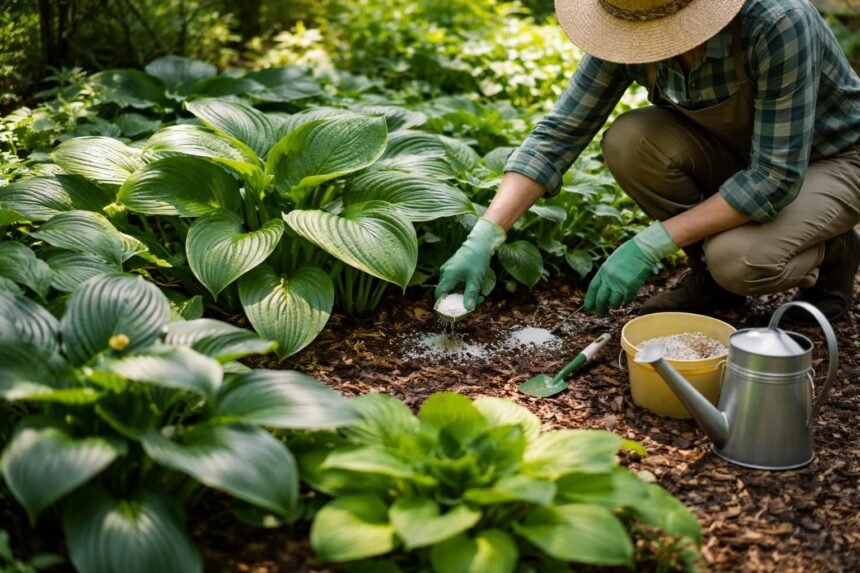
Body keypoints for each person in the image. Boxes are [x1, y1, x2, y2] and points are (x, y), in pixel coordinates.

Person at [434, 0, 860, 322]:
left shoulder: (777, 21)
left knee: (738, 260)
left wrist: (652, 244)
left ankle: (835, 248)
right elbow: (559, 134)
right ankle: (711, 285)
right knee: (630, 139)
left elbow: (774, 177)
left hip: (833, 159)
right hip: (746, 154)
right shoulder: (629, 19)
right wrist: (486, 233)